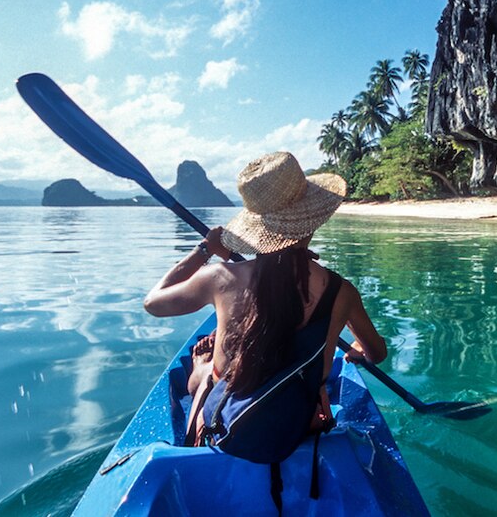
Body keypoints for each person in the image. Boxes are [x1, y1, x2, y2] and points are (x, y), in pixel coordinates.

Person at [143, 151, 387, 445]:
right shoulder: (341, 291)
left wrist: (204, 250)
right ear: (312, 219)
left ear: (256, 227)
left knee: (209, 372)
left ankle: (204, 367)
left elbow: (153, 303)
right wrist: (359, 348)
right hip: (302, 428)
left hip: (226, 427)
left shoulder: (220, 278)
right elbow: (377, 354)